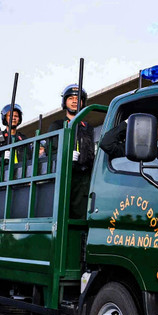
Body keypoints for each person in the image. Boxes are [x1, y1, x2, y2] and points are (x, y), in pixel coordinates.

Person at [48, 84, 95, 220]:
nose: (75, 101)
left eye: (78, 98)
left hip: (83, 178)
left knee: (81, 215)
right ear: (65, 101)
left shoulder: (88, 127)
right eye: (71, 98)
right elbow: (51, 150)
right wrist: (67, 155)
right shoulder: (56, 125)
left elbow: (91, 151)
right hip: (65, 175)